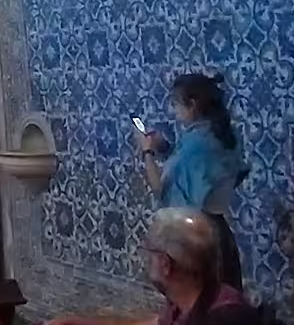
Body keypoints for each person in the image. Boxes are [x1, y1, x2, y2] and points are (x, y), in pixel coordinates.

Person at [48, 209, 259, 325]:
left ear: (166, 264)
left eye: (149, 252)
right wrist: (75, 324)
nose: (145, 259)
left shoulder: (223, 317)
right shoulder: (186, 303)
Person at [139, 73, 249, 289]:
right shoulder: (222, 135)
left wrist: (147, 152)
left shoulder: (195, 144)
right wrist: (165, 148)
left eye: (176, 104)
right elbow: (198, 174)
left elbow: (161, 189)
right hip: (220, 235)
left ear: (192, 105)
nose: (175, 110)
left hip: (194, 237)